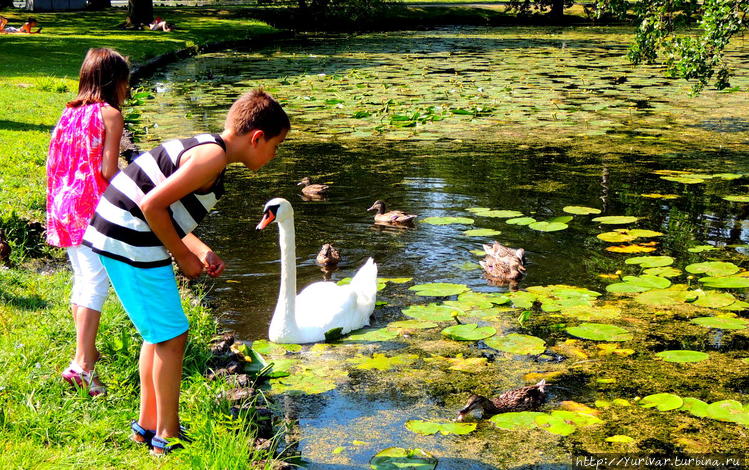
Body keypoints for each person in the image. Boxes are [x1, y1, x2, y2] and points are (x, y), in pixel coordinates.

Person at [82, 89, 290, 455]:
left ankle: (147, 427)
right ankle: (168, 434)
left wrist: (199, 248)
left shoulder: (211, 151)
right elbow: (151, 204)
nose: (274, 155)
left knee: (159, 334)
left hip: (119, 234)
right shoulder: (212, 157)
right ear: (257, 138)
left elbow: (166, 209)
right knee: (174, 335)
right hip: (130, 238)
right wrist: (182, 256)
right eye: (276, 146)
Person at [46, 48, 130, 397]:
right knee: (96, 285)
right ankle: (83, 366)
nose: (128, 88)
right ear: (115, 81)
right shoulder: (110, 115)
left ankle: (85, 354)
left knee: (83, 281)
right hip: (93, 210)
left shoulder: (67, 114)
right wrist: (138, 182)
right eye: (127, 81)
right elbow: (109, 170)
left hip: (63, 207)